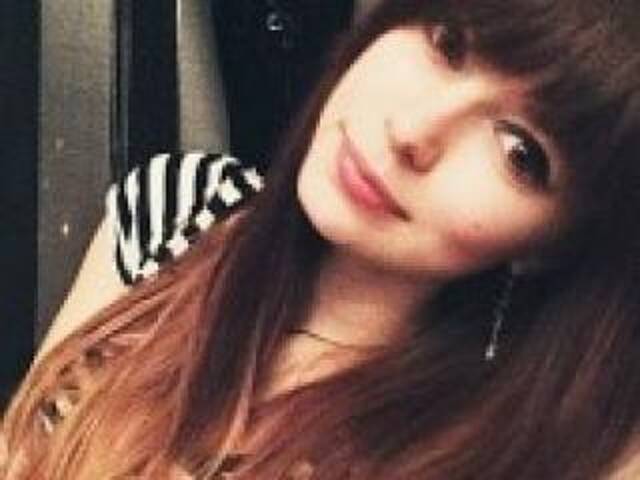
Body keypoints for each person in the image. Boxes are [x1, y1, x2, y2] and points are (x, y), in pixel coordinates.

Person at [3, 0, 640, 478]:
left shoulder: (510, 448)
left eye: (520, 153)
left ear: (554, 244)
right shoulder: (179, 206)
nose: (412, 129)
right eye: (447, 43)